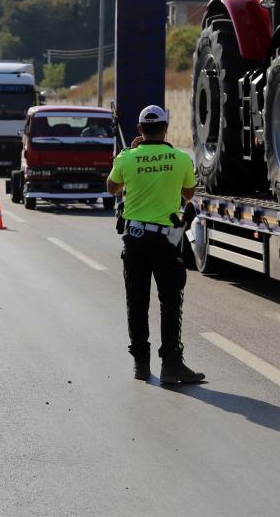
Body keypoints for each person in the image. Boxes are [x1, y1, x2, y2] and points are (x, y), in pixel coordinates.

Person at [106, 105, 204, 385]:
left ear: (140, 129)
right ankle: (171, 365)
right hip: (166, 241)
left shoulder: (127, 158)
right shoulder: (181, 159)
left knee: (136, 302)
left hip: (134, 240)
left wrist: (131, 154)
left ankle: (140, 364)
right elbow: (188, 194)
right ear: (166, 129)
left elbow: (112, 188)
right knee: (170, 301)